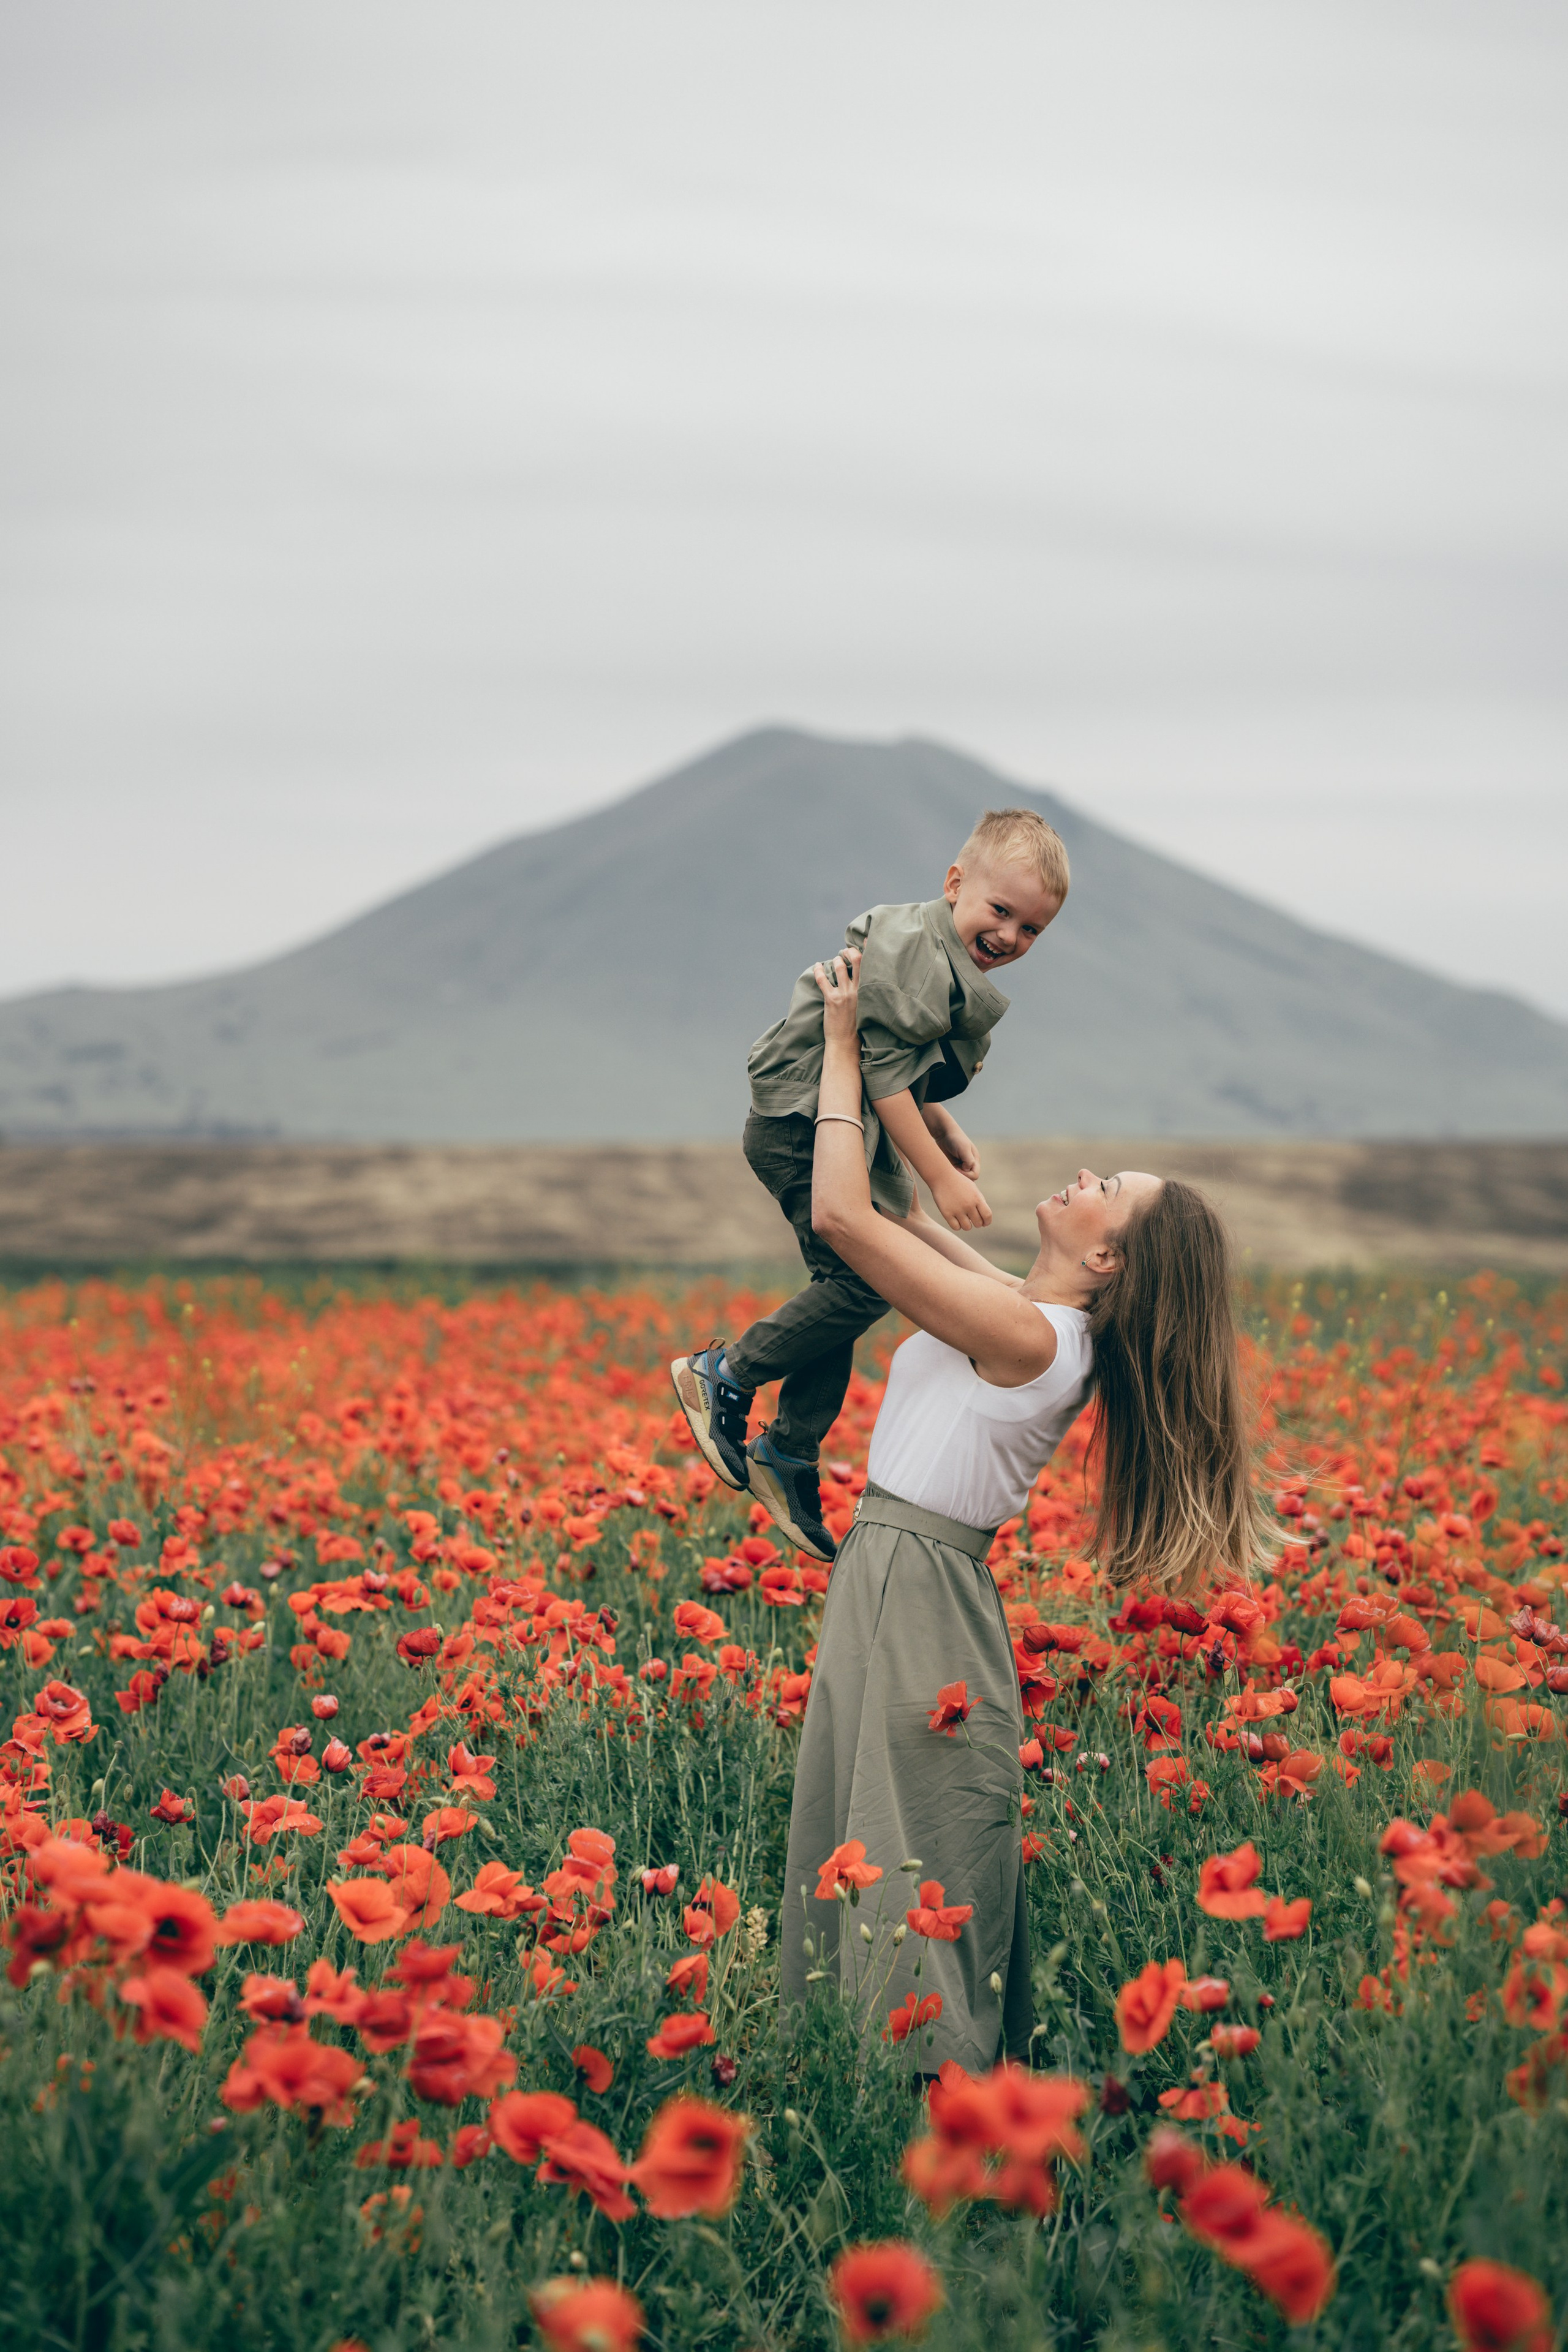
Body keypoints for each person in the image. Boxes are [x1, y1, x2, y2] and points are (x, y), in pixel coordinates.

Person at [778, 946, 1270, 2076]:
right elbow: (894, 1212)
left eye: (1111, 1191)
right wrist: (917, 1117)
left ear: (1106, 1256)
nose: (1088, 1176)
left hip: (919, 1589)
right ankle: (877, 2091)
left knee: (906, 1859)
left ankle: (935, 2109)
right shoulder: (1021, 1310)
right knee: (866, 1841)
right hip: (896, 1574)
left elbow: (846, 1223)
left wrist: (849, 1041)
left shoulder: (1036, 1341)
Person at [671, 807, 1070, 1562]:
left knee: (853, 1283)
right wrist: (937, 1176)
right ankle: (725, 1372)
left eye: (1032, 930)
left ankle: (788, 1453)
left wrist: (941, 1127)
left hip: (846, 1126)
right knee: (865, 1285)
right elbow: (882, 1072)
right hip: (802, 1124)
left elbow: (901, 1066)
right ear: (955, 885)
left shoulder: (943, 955)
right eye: (1001, 911)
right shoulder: (921, 953)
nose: (1011, 937)